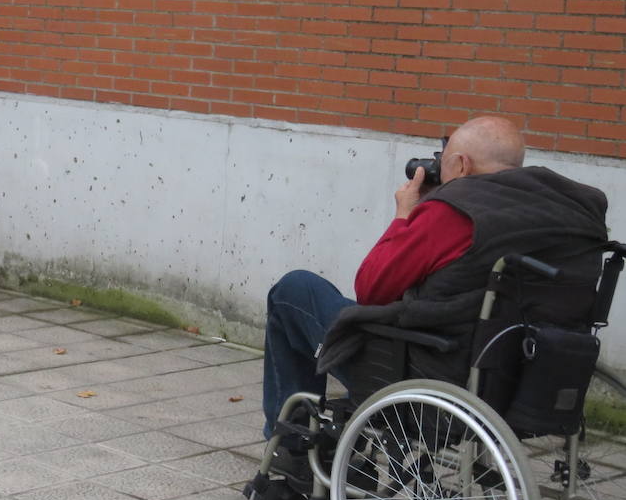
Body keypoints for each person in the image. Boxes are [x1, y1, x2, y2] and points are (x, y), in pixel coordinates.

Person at [256, 115, 608, 460]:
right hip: (529, 373)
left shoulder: (456, 212)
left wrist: (405, 216)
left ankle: (292, 455)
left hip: (431, 370)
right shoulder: (573, 211)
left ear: (461, 163)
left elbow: (373, 289)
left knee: (294, 291)